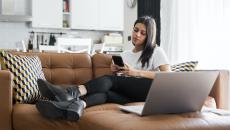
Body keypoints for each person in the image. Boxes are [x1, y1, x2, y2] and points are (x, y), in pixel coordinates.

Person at [36, 16, 171, 121]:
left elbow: (168, 76)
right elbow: (122, 82)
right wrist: (116, 71)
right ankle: (76, 106)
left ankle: (70, 93)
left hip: (150, 92)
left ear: (149, 36)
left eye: (143, 33)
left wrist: (135, 72)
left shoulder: (156, 51)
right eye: (136, 30)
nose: (138, 35)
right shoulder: (125, 55)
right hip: (129, 96)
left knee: (109, 80)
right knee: (106, 94)